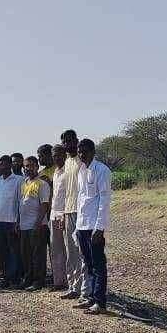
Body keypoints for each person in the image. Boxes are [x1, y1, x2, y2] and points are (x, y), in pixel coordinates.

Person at [74, 139, 124, 317]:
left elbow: (104, 200)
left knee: (98, 265)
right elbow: (81, 199)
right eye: (80, 152)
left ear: (93, 152)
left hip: (94, 226)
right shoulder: (81, 170)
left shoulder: (102, 170)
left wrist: (100, 228)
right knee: (88, 264)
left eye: (85, 151)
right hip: (82, 225)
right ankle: (90, 298)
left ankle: (100, 302)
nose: (82, 154)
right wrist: (77, 227)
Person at [58, 131, 87, 301]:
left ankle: (84, 289)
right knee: (71, 253)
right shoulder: (67, 162)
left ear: (76, 141)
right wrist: (61, 213)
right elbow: (64, 192)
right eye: (64, 142)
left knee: (82, 252)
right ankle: (73, 286)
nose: (67, 144)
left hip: (81, 211)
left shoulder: (82, 161)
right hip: (68, 211)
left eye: (69, 141)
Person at [17, 155, 51, 291]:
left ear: (37, 167)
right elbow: (21, 204)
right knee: (26, 255)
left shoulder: (42, 184)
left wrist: (38, 223)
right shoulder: (24, 183)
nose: (29, 168)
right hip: (24, 225)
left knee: (38, 255)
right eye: (26, 166)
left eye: (31, 166)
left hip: (37, 225)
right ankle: (28, 278)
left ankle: (38, 281)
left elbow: (44, 205)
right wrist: (18, 222)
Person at [0, 155, 23, 288]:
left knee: (13, 251)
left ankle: (14, 278)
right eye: (0, 164)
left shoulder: (19, 180)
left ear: (10, 165)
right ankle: (5, 277)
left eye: (4, 164)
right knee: (1, 252)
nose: (2, 167)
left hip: (11, 221)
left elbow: (20, 202)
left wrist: (18, 221)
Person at [48, 144, 70, 291]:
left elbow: (70, 195)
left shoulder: (69, 171)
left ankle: (71, 282)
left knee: (68, 251)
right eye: (54, 156)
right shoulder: (56, 172)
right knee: (55, 250)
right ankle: (58, 281)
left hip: (64, 214)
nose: (57, 158)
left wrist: (63, 214)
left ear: (65, 155)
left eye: (59, 155)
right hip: (53, 214)